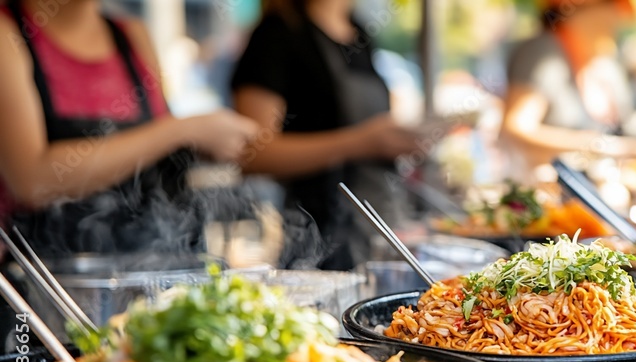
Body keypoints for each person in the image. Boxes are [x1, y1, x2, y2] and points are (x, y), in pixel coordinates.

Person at [0, 0, 259, 256]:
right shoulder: (7, 35)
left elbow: (154, 148)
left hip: (148, 262)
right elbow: (31, 182)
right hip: (46, 279)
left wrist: (203, 140)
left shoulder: (133, 35)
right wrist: (181, 130)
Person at [230, 0, 423, 270]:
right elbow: (252, 154)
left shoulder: (360, 33)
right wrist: (359, 143)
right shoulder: (278, 34)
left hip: (377, 229)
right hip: (316, 237)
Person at [502, 0, 636, 172]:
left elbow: (624, 134)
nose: (622, 17)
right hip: (546, 191)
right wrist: (613, 148)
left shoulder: (606, 65)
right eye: (616, 5)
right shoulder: (543, 53)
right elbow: (517, 129)